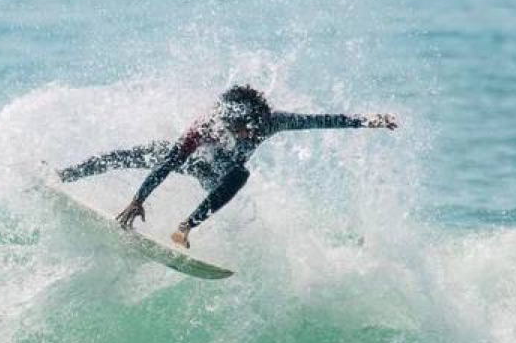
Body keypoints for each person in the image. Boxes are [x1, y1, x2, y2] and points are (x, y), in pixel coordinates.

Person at [58, 84, 397, 247]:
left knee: (240, 173)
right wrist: (138, 198)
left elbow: (322, 120)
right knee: (130, 155)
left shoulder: (270, 122)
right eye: (242, 127)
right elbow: (168, 163)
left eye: (252, 127)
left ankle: (185, 227)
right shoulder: (206, 126)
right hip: (195, 163)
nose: (249, 132)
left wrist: (369, 121)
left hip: (221, 175)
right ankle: (67, 174)